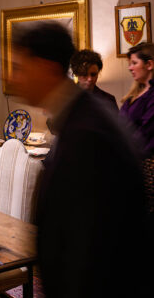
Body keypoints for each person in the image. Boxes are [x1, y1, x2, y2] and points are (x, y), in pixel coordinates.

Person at [9, 22, 150, 297]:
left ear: (46, 68)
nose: (13, 79)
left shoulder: (88, 132)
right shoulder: (78, 117)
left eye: (19, 68)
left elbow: (91, 248)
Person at [120, 42, 154, 158]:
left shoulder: (151, 95)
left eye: (134, 63)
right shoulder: (134, 95)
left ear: (149, 64)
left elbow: (145, 133)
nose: (130, 68)